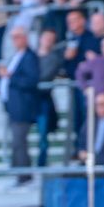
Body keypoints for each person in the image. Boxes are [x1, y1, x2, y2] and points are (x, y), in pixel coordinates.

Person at [0, 25, 40, 188]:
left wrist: (10, 76)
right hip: (12, 106)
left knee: (19, 142)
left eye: (17, 37)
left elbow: (30, 81)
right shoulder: (16, 56)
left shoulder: (29, 57)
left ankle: (24, 175)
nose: (15, 41)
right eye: (13, 38)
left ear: (25, 38)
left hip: (23, 107)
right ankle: (18, 173)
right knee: (16, 142)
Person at [74, 90, 104, 164]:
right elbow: (82, 144)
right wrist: (83, 153)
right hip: (88, 165)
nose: (99, 107)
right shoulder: (89, 123)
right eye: (97, 104)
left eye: (102, 104)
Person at [36, 28, 61, 168]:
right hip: (29, 99)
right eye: (46, 38)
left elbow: (45, 76)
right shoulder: (31, 56)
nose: (48, 41)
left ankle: (42, 162)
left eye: (51, 39)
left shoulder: (53, 59)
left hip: (43, 99)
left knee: (43, 134)